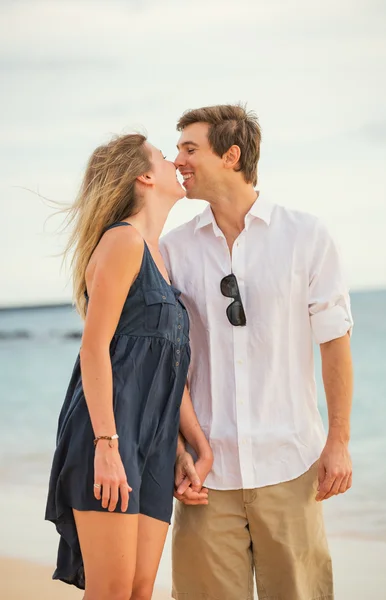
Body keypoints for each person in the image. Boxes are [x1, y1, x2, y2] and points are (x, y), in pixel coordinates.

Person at [160, 105, 354, 600]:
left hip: (291, 464)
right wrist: (181, 449)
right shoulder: (174, 249)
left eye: (189, 148)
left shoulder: (305, 235)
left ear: (231, 155)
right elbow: (170, 361)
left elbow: (334, 343)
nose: (176, 159)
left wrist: (338, 441)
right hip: (208, 475)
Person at [45, 133, 212, 600]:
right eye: (163, 155)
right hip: (108, 437)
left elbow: (166, 367)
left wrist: (191, 447)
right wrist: (106, 444)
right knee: (112, 592)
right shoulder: (123, 241)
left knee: (139, 591)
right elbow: (93, 349)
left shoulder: (160, 255)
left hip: (154, 446)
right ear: (144, 175)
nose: (175, 161)